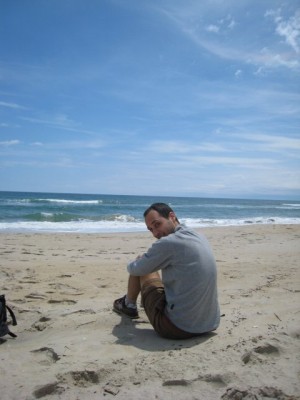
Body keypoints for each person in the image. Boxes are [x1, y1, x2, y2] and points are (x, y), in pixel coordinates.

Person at [113, 202, 220, 339]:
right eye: (151, 229)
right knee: (148, 265)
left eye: (157, 224)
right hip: (209, 323)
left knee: (140, 263)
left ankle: (129, 305)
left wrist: (133, 263)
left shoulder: (169, 242)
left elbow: (135, 269)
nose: (155, 233)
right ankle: (131, 303)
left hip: (177, 327)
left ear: (172, 216)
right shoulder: (198, 236)